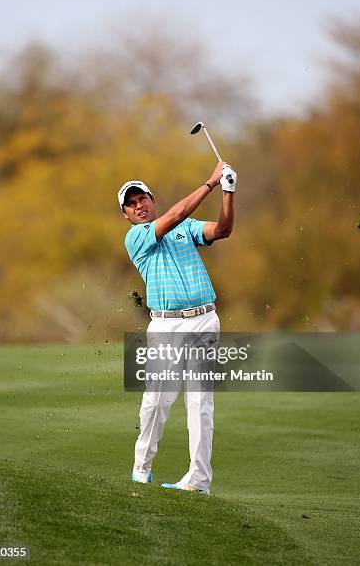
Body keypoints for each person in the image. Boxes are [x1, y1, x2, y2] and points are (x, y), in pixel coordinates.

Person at [118, 160, 236, 494]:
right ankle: (142, 467)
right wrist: (211, 183)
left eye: (142, 199)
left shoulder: (186, 229)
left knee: (201, 403)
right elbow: (177, 215)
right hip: (166, 326)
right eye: (131, 203)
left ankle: (199, 480)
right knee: (158, 400)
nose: (139, 205)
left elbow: (223, 230)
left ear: (152, 200)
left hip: (205, 319)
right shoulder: (136, 238)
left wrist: (228, 191)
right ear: (126, 215)